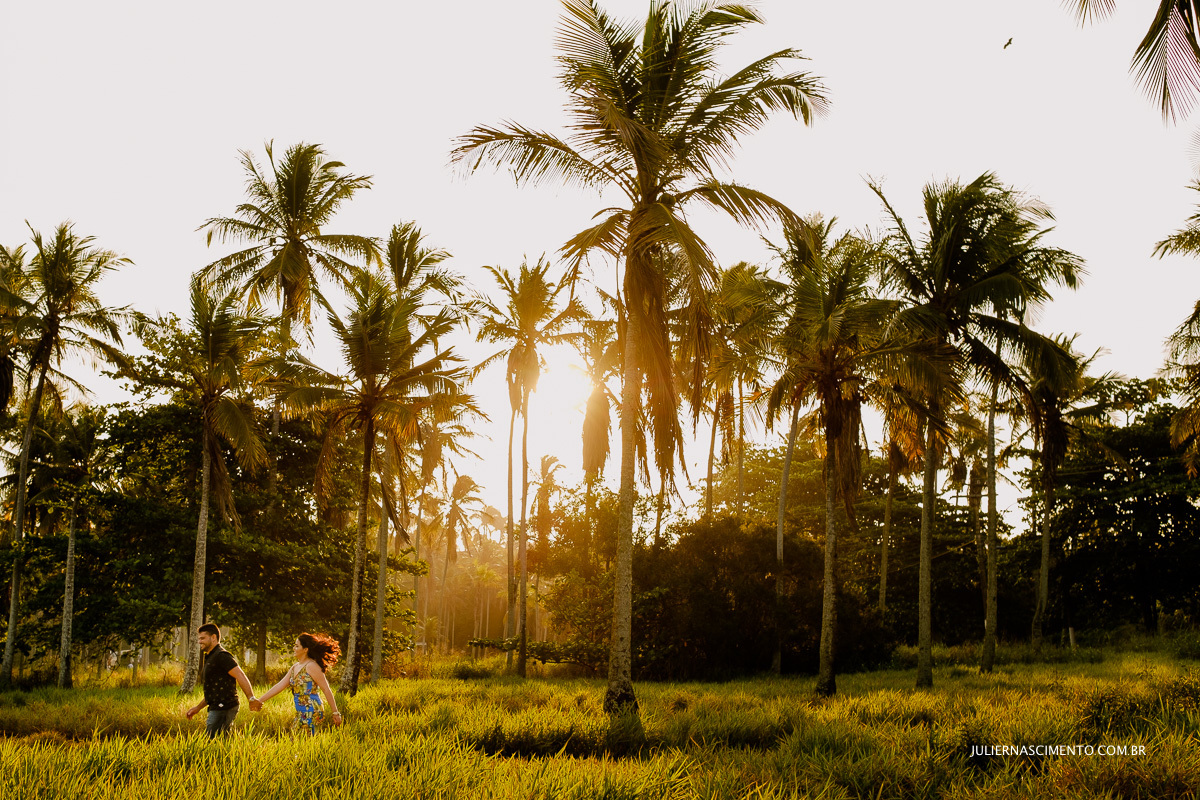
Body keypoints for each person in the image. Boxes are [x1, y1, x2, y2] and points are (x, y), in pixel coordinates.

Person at [253, 632, 343, 733]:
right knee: (296, 738)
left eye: (297, 646)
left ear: (305, 649)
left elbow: (326, 689)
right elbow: (280, 685)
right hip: (300, 711)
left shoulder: (312, 666)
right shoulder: (295, 667)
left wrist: (335, 712)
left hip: (312, 710)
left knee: (303, 739)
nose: (294, 648)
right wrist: (260, 700)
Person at [184, 623, 258, 738]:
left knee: (211, 740)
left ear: (213, 637)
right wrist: (198, 708)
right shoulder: (211, 657)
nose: (199, 641)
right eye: (199, 639)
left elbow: (240, 675)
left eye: (202, 638)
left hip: (224, 707)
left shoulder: (222, 656)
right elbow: (213, 691)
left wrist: (251, 698)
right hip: (217, 706)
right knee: (220, 740)